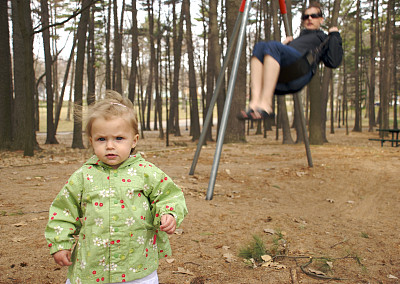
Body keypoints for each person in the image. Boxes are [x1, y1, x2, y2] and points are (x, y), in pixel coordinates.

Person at [45, 90, 188, 284]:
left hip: (137, 266)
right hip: (92, 267)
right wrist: (60, 243)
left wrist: (169, 213)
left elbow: (169, 196)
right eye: (101, 139)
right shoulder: (83, 177)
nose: (110, 146)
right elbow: (63, 211)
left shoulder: (146, 172)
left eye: (119, 138)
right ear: (91, 141)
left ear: (134, 141)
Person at [238, 2, 343, 120]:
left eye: (313, 16)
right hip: (282, 77)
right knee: (260, 46)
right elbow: (275, 53)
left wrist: (335, 35)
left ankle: (266, 105)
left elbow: (333, 61)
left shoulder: (323, 38)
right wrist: (284, 46)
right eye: (306, 17)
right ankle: (255, 103)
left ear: (321, 19)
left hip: (301, 70)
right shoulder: (296, 39)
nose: (309, 19)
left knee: (273, 45)